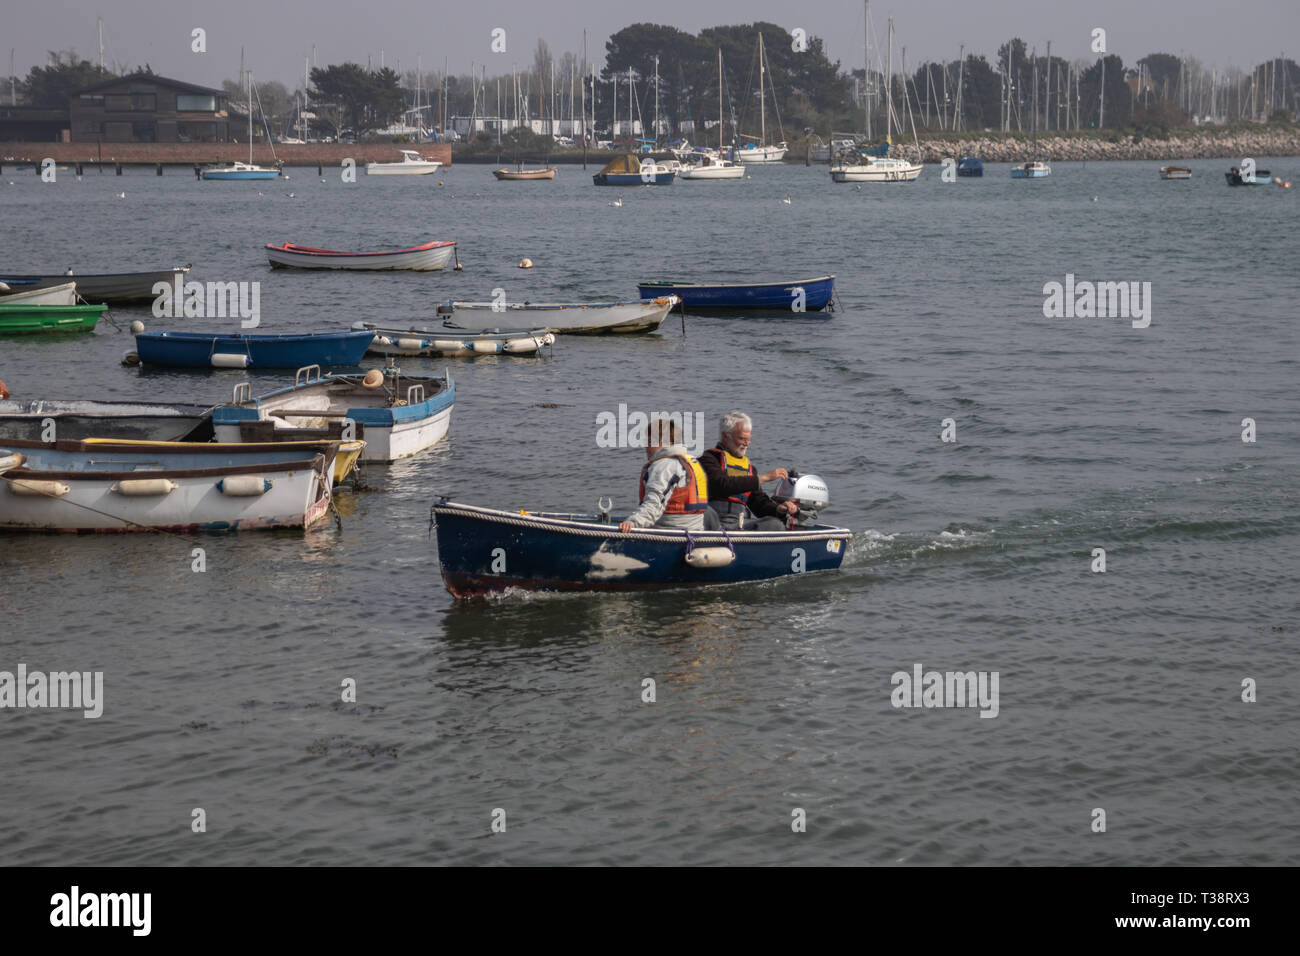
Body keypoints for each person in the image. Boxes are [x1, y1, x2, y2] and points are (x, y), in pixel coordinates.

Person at [698, 411, 797, 531]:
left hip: (740, 524)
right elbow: (721, 484)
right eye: (742, 439)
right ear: (725, 437)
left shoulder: (749, 468)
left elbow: (758, 503)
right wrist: (763, 478)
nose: (746, 444)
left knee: (775, 524)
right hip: (713, 521)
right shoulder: (708, 459)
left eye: (748, 439)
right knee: (705, 512)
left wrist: (778, 509)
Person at [618, 416, 709, 533]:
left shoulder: (665, 466)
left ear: (667, 443)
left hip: (670, 532)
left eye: (651, 442)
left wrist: (632, 522)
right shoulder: (691, 460)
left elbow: (654, 504)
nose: (646, 446)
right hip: (695, 531)